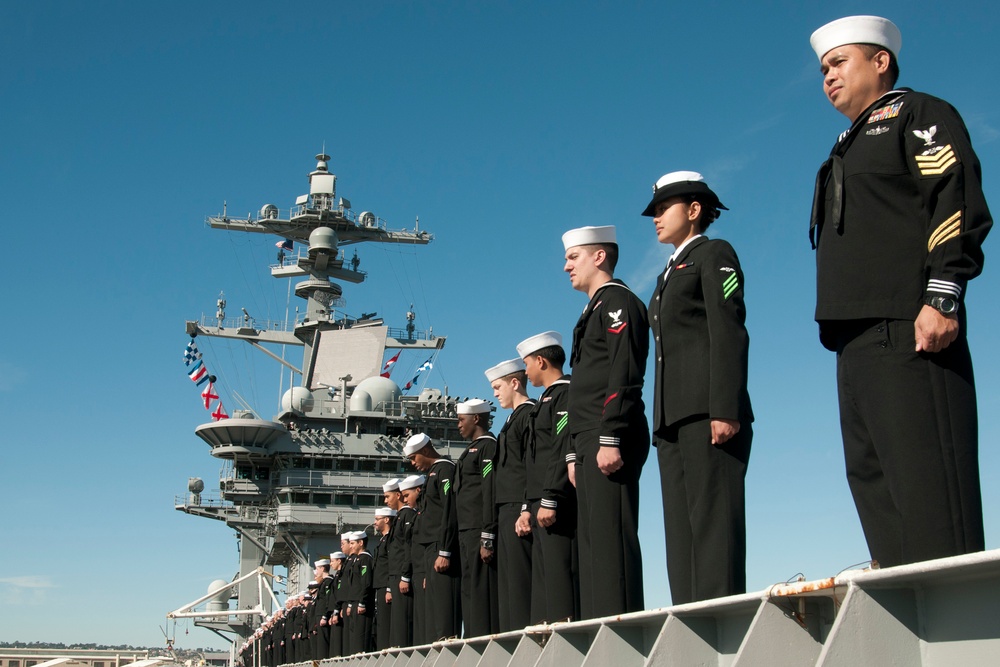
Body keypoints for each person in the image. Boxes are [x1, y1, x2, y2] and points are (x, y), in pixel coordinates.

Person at [809, 15, 990, 568]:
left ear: (880, 61)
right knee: (878, 495)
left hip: (909, 328)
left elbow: (952, 196)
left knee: (931, 501)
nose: (828, 78)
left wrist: (942, 294)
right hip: (854, 342)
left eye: (838, 62)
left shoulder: (917, 114)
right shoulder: (846, 144)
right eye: (823, 70)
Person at [641, 171, 754, 604]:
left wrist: (724, 407)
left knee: (713, 529)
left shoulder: (715, 255)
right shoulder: (666, 273)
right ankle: (690, 629)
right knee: (681, 536)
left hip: (709, 413)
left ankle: (723, 631)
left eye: (662, 208)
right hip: (672, 421)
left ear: (693, 210)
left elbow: (729, 331)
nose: (655, 218)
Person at [563, 225, 650, 618]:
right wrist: (574, 452)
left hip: (607, 434)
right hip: (588, 439)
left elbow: (623, 371)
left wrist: (611, 435)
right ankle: (601, 632)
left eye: (573, 257)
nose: (566, 266)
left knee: (612, 543)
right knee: (595, 546)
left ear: (599, 257)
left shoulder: (618, 303)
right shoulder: (594, 309)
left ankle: (623, 640)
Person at [516, 331, 579, 623]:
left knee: (559, 577)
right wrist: (528, 507)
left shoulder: (565, 393)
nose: (525, 371)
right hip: (539, 503)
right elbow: (534, 461)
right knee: (543, 581)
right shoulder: (545, 400)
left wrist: (551, 497)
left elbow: (561, 446)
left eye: (527, 363)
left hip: (555, 502)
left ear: (540, 361)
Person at [485, 358, 535, 631]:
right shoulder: (512, 419)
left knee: (520, 580)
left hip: (518, 505)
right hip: (505, 508)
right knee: (508, 583)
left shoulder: (528, 414)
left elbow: (532, 462)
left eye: (497, 386)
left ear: (514, 383)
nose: (494, 393)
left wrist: (527, 507)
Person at [405, 433, 461, 641]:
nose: (413, 464)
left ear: (426, 451)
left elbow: (449, 510)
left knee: (444, 608)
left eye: (414, 458)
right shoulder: (433, 474)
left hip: (440, 545)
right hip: (432, 549)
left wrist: (445, 550)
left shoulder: (445, 470)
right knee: (434, 608)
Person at [454, 398, 500, 637]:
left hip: (477, 529)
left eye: (462, 420)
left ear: (477, 418)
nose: (459, 425)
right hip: (466, 529)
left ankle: (482, 641)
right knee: (469, 589)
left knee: (481, 590)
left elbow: (489, 487)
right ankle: (471, 639)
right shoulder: (471, 449)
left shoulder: (487, 447)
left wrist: (487, 535)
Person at [395, 474, 425, 646]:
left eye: (406, 495)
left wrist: (405, 576)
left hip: (421, 570)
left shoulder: (409, 515)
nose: (404, 500)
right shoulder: (414, 514)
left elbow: (408, 546)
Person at [373, 507, 397, 649]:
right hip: (380, 586)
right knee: (382, 624)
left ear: (387, 519)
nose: (375, 523)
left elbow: (391, 563)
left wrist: (389, 587)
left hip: (386, 586)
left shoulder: (389, 540)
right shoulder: (383, 540)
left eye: (377, 519)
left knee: (386, 624)